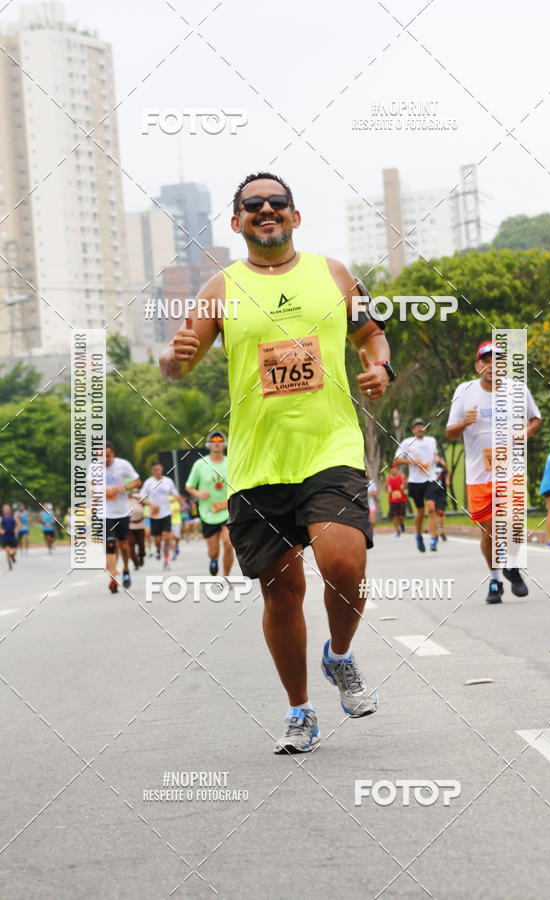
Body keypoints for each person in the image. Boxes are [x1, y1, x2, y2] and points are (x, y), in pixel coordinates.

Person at [159, 171, 395, 754]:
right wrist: (173, 359)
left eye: (278, 203)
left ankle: (339, 656)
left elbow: (372, 335)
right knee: (281, 592)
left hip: (330, 448)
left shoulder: (332, 273)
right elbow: (179, 363)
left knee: (343, 564)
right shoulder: (219, 288)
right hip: (257, 464)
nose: (267, 210)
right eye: (253, 205)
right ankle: (300, 710)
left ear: (294, 216)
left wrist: (379, 367)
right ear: (237, 222)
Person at [446, 340, 542, 604]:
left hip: (510, 470)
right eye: (486, 360)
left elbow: (536, 419)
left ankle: (511, 565)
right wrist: (464, 423)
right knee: (488, 532)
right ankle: (496, 579)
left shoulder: (517, 390)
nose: (491, 365)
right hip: (478, 475)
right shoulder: (464, 392)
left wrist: (524, 433)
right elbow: (450, 432)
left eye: (497, 360)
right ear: (478, 365)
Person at [186, 432, 234, 576]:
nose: (217, 443)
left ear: (224, 444)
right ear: (209, 444)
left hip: (227, 510)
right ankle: (213, 559)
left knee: (228, 543)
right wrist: (198, 494)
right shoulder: (200, 464)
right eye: (214, 440)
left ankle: (226, 576)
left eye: (220, 440)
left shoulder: (231, 462)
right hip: (208, 512)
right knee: (214, 551)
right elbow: (189, 486)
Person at [395, 418, 440, 552]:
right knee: (420, 512)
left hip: (430, 479)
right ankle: (419, 535)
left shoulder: (432, 440)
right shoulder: (407, 442)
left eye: (421, 426)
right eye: (416, 427)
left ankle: (433, 538)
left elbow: (434, 455)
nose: (419, 429)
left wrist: (437, 459)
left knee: (431, 508)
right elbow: (396, 460)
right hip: (415, 482)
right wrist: (412, 462)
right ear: (413, 430)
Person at [104, 442, 140, 593]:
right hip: (105, 513)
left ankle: (125, 568)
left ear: (113, 454)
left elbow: (138, 482)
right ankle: (112, 578)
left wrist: (123, 488)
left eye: (108, 456)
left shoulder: (123, 464)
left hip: (122, 512)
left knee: (124, 546)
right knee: (110, 543)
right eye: (102, 456)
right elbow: (90, 486)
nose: (105, 459)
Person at [140, 462, 185, 571]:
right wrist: (151, 504)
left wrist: (181, 501)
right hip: (154, 515)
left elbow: (176, 494)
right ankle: (157, 548)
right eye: (155, 470)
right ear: (152, 471)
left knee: (166, 536)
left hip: (166, 513)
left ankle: (166, 560)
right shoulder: (148, 483)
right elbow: (141, 498)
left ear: (162, 469)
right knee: (157, 539)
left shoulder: (168, 481)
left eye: (159, 469)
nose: (157, 471)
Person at [432, 455, 450, 541]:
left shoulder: (441, 465)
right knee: (433, 512)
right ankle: (435, 532)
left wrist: (447, 480)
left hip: (441, 492)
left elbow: (447, 472)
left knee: (440, 511)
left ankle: (441, 531)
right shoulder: (429, 465)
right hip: (431, 492)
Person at [386, 462, 407, 536]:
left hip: (402, 499)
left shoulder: (402, 476)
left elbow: (406, 486)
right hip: (392, 499)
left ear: (397, 469)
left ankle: (401, 524)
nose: (393, 471)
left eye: (395, 469)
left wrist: (404, 487)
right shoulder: (388, 477)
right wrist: (387, 491)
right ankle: (397, 531)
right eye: (392, 470)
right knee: (394, 516)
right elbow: (384, 487)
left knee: (401, 516)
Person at [127, 493, 147, 569]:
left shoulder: (138, 497)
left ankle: (141, 557)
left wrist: (136, 497)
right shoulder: (123, 500)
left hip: (140, 524)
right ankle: (135, 562)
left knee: (141, 544)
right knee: (131, 544)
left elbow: (146, 502)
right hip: (129, 525)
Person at [1, 503, 18, 570]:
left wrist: (16, 529)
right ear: (3, 510)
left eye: (7, 508)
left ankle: (12, 556)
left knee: (13, 552)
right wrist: (1, 530)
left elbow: (20, 525)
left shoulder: (14, 516)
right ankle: (9, 565)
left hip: (12, 536)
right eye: (5, 508)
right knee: (7, 550)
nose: (6, 510)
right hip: (5, 537)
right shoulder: (1, 517)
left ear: (10, 509)